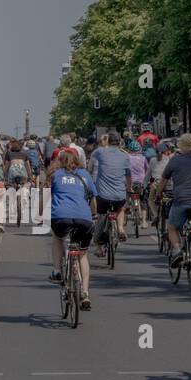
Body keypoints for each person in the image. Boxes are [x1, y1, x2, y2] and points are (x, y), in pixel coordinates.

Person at [48, 148, 96, 310]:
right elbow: (93, 198)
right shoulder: (85, 175)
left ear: (61, 160)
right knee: (82, 255)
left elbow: (50, 196)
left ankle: (56, 271)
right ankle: (85, 293)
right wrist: (94, 215)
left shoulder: (56, 175)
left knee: (56, 236)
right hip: (84, 219)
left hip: (61, 218)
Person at [156, 132, 191, 268]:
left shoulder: (174, 161)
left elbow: (163, 180)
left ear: (182, 147)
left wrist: (158, 193)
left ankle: (178, 250)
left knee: (172, 227)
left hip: (181, 200)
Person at [87, 132, 131, 251]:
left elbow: (90, 168)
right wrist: (129, 188)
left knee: (101, 214)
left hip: (103, 194)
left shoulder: (99, 152)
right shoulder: (125, 155)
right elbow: (128, 176)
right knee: (121, 208)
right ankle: (121, 228)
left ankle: (98, 245)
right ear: (120, 142)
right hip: (119, 194)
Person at [125, 139, 149, 229]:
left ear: (129, 150)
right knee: (143, 201)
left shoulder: (127, 158)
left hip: (130, 183)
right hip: (141, 183)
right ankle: (144, 222)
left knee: (126, 200)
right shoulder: (143, 158)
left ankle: (124, 218)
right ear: (139, 149)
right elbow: (147, 170)